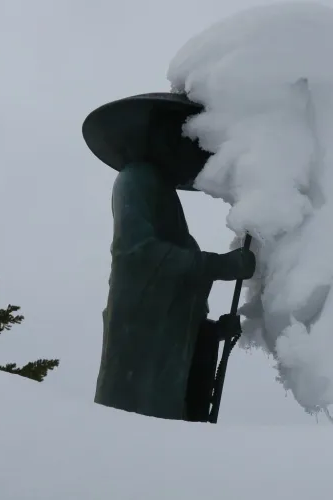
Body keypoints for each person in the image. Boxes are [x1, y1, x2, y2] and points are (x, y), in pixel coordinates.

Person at [83, 93, 256, 422]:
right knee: (142, 421)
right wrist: (220, 265)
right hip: (141, 348)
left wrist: (211, 332)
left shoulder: (159, 190)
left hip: (164, 350)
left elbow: (173, 298)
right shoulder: (136, 178)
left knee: (176, 418)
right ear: (161, 139)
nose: (190, 150)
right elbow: (140, 256)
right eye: (184, 139)